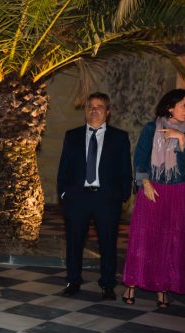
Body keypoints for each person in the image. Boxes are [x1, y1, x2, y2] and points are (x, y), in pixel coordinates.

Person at [122, 89, 185, 307]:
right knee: (143, 236)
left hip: (176, 190)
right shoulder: (150, 128)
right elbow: (141, 158)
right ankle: (132, 284)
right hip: (151, 188)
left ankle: (163, 287)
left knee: (171, 239)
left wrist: (181, 138)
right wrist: (144, 182)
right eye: (184, 105)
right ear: (170, 107)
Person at [57, 92, 133, 300]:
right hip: (77, 197)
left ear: (107, 112)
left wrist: (121, 195)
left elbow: (126, 170)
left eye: (99, 107)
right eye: (90, 106)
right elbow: (64, 168)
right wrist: (65, 193)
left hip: (106, 198)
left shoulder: (119, 137)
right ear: (85, 111)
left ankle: (108, 284)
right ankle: (73, 281)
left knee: (108, 243)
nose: (94, 110)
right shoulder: (72, 136)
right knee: (74, 242)